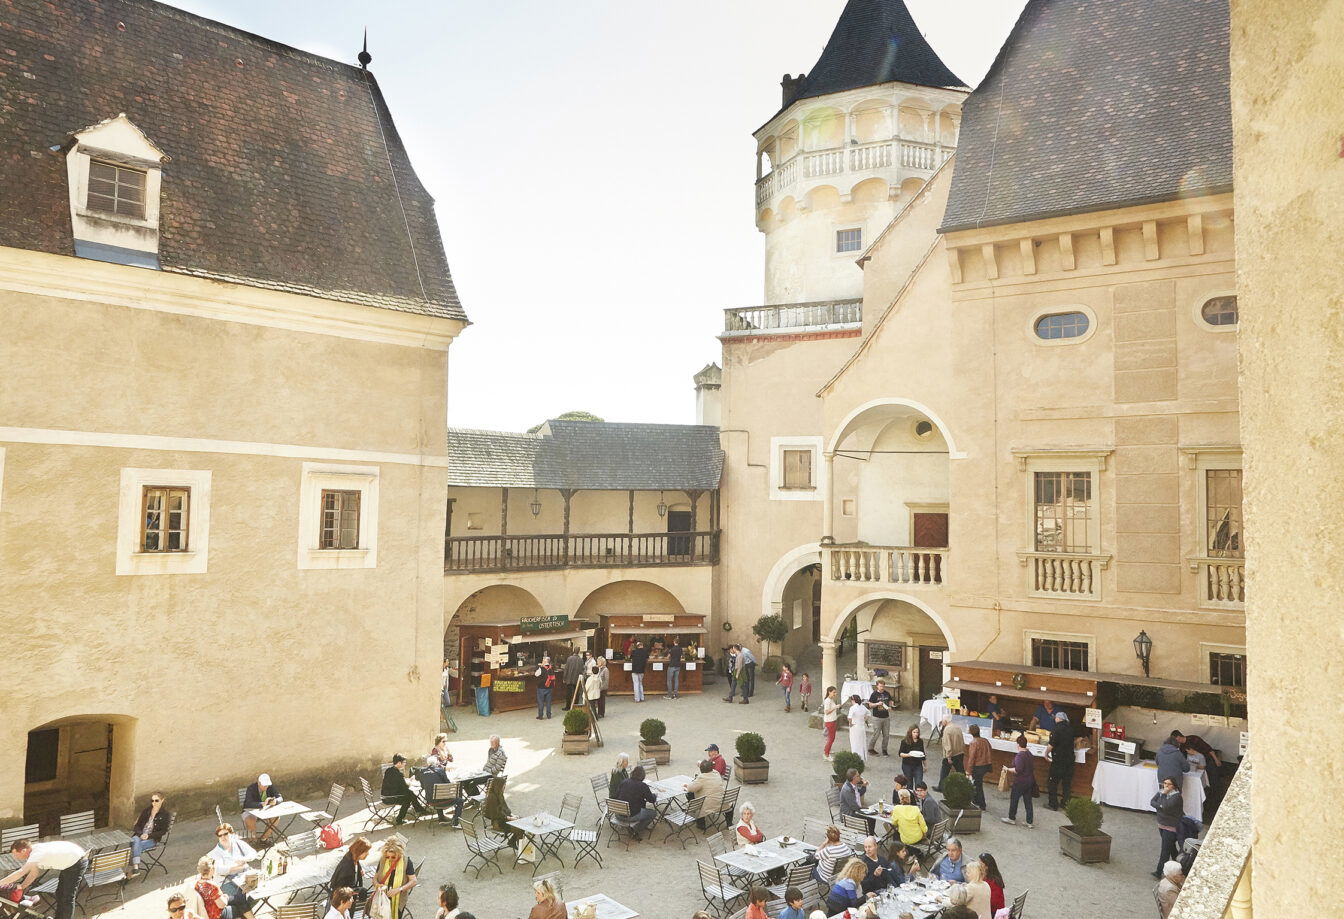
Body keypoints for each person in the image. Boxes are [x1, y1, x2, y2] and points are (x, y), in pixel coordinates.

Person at [2, 837, 85, 919]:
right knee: (60, 893)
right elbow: (33, 874)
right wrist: (21, 888)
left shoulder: (36, 853)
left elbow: (20, 872)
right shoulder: (35, 852)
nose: (16, 858)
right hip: (70, 862)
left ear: (23, 851)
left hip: (76, 863)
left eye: (16, 855)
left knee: (67, 897)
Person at [208, 824, 257, 911]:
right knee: (240, 898)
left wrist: (244, 859)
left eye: (225, 834)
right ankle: (245, 914)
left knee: (258, 892)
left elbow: (253, 853)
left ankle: (242, 914)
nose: (223, 837)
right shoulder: (215, 853)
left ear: (231, 834)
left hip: (243, 877)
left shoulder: (238, 843)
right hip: (226, 881)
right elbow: (220, 870)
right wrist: (238, 867)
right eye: (220, 835)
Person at [372, 837, 418, 919]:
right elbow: (375, 878)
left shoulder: (406, 862)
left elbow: (414, 881)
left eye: (393, 857)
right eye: (387, 857)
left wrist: (398, 889)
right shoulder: (382, 860)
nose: (390, 859)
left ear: (399, 854)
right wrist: (377, 885)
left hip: (399, 899)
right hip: (382, 898)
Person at [128, 791, 171, 874]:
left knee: (134, 845)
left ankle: (134, 867)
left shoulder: (165, 814)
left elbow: (163, 831)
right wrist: (141, 834)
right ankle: (135, 868)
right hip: (139, 837)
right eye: (152, 800)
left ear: (162, 800)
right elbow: (136, 826)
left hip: (151, 840)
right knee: (135, 840)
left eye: (156, 800)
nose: (154, 803)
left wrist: (149, 836)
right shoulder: (146, 811)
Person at [1150, 777, 1184, 879]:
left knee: (1165, 850)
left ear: (1174, 786)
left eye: (1169, 784)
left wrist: (1162, 800)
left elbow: (1166, 806)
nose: (1166, 786)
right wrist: (1161, 806)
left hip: (1171, 827)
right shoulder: (1161, 792)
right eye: (1165, 783)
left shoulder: (1176, 797)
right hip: (1162, 824)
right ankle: (1181, 867)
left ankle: (1158, 871)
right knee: (1171, 848)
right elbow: (1152, 802)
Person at [381, 755, 429, 826]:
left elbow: (398, 784)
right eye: (404, 762)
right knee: (408, 798)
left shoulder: (389, 770)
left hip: (385, 796)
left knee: (410, 793)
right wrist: (410, 782)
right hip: (389, 798)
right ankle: (400, 819)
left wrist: (406, 781)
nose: (405, 764)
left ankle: (419, 809)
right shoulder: (398, 774)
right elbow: (405, 786)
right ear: (399, 763)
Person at [1001, 735, 1036, 829]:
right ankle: (1029, 821)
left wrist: (1007, 769)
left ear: (1018, 744)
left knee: (1014, 799)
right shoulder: (1029, 754)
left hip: (1020, 781)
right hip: (1029, 781)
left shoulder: (1020, 756)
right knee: (1028, 801)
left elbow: (1018, 770)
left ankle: (1011, 818)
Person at [1046, 711, 1076, 810]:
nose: (1055, 719)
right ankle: (1066, 804)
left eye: (1056, 718)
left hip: (1059, 760)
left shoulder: (1056, 729)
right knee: (1066, 783)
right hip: (1070, 759)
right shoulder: (1070, 729)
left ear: (1059, 718)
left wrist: (1046, 754)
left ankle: (1053, 804)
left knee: (1053, 782)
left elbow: (1051, 744)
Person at [616, 765, 658, 833]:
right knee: (653, 813)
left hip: (618, 814)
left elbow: (616, 795)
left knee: (638, 808)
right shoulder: (643, 785)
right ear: (643, 776)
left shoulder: (624, 782)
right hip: (632, 815)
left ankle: (635, 826)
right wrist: (655, 795)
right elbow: (652, 800)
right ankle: (636, 829)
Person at [685, 759, 726, 830]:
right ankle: (729, 822)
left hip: (709, 806)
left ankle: (701, 824)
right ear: (711, 768)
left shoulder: (701, 778)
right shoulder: (716, 773)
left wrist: (686, 786)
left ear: (701, 770)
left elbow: (690, 789)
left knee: (691, 795)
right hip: (723, 802)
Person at [242, 773, 281, 842]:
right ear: (258, 783)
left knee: (276, 818)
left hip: (265, 811)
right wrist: (262, 804)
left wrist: (275, 801)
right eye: (264, 785)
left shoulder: (270, 787)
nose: (266, 787)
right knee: (250, 821)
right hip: (250, 810)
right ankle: (253, 841)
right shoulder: (251, 788)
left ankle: (263, 839)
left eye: (267, 785)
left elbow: (280, 797)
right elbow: (248, 803)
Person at [964, 725, 993, 811]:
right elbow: (990, 749)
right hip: (987, 764)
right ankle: (976, 801)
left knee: (977, 785)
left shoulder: (973, 743)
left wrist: (968, 771)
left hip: (978, 766)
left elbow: (971, 758)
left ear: (971, 733)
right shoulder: (985, 740)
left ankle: (981, 804)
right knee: (977, 784)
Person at [935, 718, 965, 791]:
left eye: (942, 721)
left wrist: (948, 756)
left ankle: (941, 787)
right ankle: (965, 785)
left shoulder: (947, 730)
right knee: (960, 770)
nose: (941, 723)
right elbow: (962, 740)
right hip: (960, 752)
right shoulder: (957, 727)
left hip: (951, 754)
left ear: (945, 721)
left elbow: (947, 745)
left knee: (944, 771)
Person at [867, 679, 894, 755]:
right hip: (877, 718)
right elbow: (870, 705)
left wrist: (891, 705)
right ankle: (870, 748)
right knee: (876, 734)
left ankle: (884, 750)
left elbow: (890, 701)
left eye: (883, 686)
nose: (882, 687)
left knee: (886, 735)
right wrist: (877, 704)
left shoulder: (887, 693)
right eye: (880, 686)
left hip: (886, 717)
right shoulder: (874, 694)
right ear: (877, 686)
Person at [534, 655, 558, 720]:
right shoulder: (551, 668)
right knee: (548, 702)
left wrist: (540, 666)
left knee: (541, 702)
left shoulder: (541, 669)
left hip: (541, 688)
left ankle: (541, 716)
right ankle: (549, 715)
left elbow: (536, 674)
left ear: (544, 661)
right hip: (549, 687)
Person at [821, 686, 840, 760]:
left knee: (831, 738)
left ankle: (828, 750)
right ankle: (826, 754)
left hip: (832, 720)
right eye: (834, 692)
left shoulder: (830, 700)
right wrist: (835, 707)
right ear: (829, 692)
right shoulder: (828, 701)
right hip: (830, 721)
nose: (835, 693)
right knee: (831, 738)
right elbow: (826, 712)